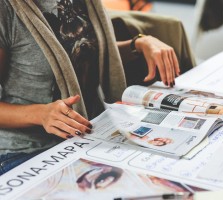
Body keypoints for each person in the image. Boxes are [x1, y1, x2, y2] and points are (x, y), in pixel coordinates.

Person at [0, 0, 190, 176]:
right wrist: (41, 114)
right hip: (26, 152)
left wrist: (138, 44)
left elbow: (83, 53)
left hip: (91, 133)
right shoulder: (6, 9)